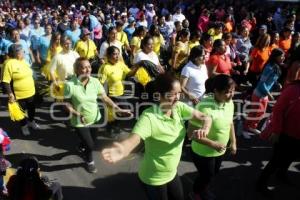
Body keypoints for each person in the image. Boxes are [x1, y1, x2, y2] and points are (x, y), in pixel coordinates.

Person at [102, 73, 212, 200]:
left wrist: (205, 128)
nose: (177, 97)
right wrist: (122, 149)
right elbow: (134, 139)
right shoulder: (149, 117)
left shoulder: (179, 108)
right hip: (153, 177)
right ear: (159, 95)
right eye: (172, 94)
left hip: (171, 172)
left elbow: (206, 118)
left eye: (179, 93)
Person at [64, 57, 131, 173]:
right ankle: (89, 161)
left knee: (91, 142)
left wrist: (118, 108)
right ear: (77, 70)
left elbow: (104, 98)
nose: (88, 70)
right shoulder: (69, 85)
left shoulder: (95, 82)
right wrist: (76, 113)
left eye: (89, 67)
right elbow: (66, 103)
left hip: (95, 119)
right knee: (90, 146)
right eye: (83, 67)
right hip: (79, 121)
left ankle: (82, 144)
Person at [189, 74, 236, 200]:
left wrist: (233, 142)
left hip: (220, 149)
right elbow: (190, 134)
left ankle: (203, 189)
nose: (231, 95)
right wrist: (213, 144)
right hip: (203, 151)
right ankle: (195, 193)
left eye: (232, 91)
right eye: (227, 92)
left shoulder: (229, 102)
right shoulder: (203, 106)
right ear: (216, 91)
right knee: (206, 175)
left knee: (213, 173)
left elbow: (230, 122)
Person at [256, 80, 300, 197]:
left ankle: (281, 174)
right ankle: (261, 184)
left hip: (298, 135)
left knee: (291, 157)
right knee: (276, 160)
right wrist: (276, 131)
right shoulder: (293, 89)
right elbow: (278, 110)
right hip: (285, 133)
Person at [243, 48, 285, 137]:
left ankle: (249, 127)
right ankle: (250, 128)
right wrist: (269, 94)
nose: (283, 58)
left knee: (258, 112)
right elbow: (262, 83)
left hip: (264, 94)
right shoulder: (269, 67)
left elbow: (271, 80)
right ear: (276, 57)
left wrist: (277, 84)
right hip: (259, 94)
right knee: (257, 112)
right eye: (281, 56)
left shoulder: (275, 66)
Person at [99, 46, 139, 136]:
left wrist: (137, 68)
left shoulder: (121, 64)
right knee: (112, 114)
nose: (117, 56)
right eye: (114, 54)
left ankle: (115, 126)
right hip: (111, 95)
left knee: (125, 111)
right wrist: (104, 96)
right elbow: (100, 83)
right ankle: (110, 129)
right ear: (108, 56)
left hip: (121, 93)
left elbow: (129, 73)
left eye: (118, 54)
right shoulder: (104, 67)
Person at [2, 44, 39, 136]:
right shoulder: (8, 64)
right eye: (22, 51)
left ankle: (31, 121)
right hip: (19, 94)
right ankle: (24, 126)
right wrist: (10, 93)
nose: (24, 53)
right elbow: (5, 81)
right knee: (21, 112)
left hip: (31, 91)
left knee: (32, 108)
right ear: (16, 53)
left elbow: (30, 74)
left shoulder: (24, 61)